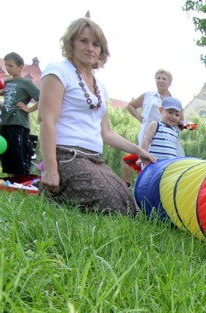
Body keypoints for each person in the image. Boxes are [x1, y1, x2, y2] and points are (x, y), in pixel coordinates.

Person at [39, 17, 156, 215]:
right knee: (112, 204)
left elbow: (107, 133)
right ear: (71, 43)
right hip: (67, 156)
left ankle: (64, 191)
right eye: (83, 41)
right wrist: (51, 170)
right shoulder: (58, 71)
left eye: (96, 44)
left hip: (94, 159)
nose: (90, 48)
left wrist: (140, 152)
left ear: (102, 50)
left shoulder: (100, 87)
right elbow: (46, 120)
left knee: (130, 203)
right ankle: (51, 189)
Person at [122, 69, 174, 186]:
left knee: (161, 164)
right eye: (158, 78)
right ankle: (131, 185)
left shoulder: (173, 101)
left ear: (170, 82)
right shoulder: (148, 95)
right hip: (148, 132)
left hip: (164, 136)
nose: (160, 81)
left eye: (164, 78)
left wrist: (194, 127)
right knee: (141, 159)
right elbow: (131, 106)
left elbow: (180, 121)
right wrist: (141, 118)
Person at [0, 52, 40, 176]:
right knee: (6, 153)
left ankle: (22, 179)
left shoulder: (26, 83)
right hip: (6, 122)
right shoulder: (8, 82)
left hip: (19, 123)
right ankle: (10, 178)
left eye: (10, 66)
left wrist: (29, 109)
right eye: (6, 65)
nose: (7, 68)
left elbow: (42, 98)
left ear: (20, 67)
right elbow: (6, 90)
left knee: (17, 152)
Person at [140, 96, 184, 167]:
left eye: (177, 115)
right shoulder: (155, 125)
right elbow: (146, 140)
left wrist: (194, 126)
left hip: (169, 166)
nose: (173, 117)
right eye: (170, 112)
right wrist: (141, 156)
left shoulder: (176, 131)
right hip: (154, 164)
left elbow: (188, 126)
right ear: (161, 110)